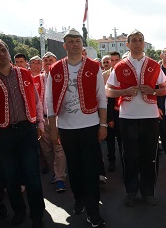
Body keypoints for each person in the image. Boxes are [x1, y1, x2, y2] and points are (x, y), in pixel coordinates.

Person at [46, 28, 107, 227]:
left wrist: (103, 123)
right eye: (70, 41)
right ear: (64, 45)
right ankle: (79, 197)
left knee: (90, 168)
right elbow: (49, 101)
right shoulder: (55, 69)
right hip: (66, 127)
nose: (74, 44)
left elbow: (101, 97)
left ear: (82, 45)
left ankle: (93, 210)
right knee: (74, 167)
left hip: (90, 125)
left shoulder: (94, 66)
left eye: (77, 41)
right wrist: (53, 129)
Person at [105, 29, 166, 207]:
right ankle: (131, 190)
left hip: (150, 116)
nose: (138, 43)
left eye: (140, 40)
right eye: (134, 40)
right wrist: (123, 92)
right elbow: (108, 90)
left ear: (144, 42)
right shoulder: (120, 66)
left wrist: (153, 91)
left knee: (150, 156)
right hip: (128, 116)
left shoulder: (154, 65)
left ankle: (148, 192)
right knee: (129, 156)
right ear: (128, 44)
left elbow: (164, 88)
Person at [0, 39, 45, 228]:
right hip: (2, 134)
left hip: (26, 130)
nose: (1, 54)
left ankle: (37, 214)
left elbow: (36, 100)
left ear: (8, 51)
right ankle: (19, 211)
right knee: (11, 177)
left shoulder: (24, 73)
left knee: (32, 176)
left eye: (3, 50)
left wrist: (40, 123)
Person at [38, 52, 68, 193]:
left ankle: (60, 178)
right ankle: (56, 172)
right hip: (42, 119)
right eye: (45, 60)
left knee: (59, 148)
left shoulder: (61, 78)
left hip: (57, 118)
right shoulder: (35, 79)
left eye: (51, 60)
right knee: (47, 150)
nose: (48, 62)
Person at [102, 52, 121, 172]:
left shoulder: (125, 74)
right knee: (110, 140)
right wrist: (108, 118)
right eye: (111, 60)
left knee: (122, 139)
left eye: (116, 60)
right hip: (109, 111)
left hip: (122, 112)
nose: (114, 63)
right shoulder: (103, 76)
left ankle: (125, 163)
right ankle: (112, 161)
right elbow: (104, 98)